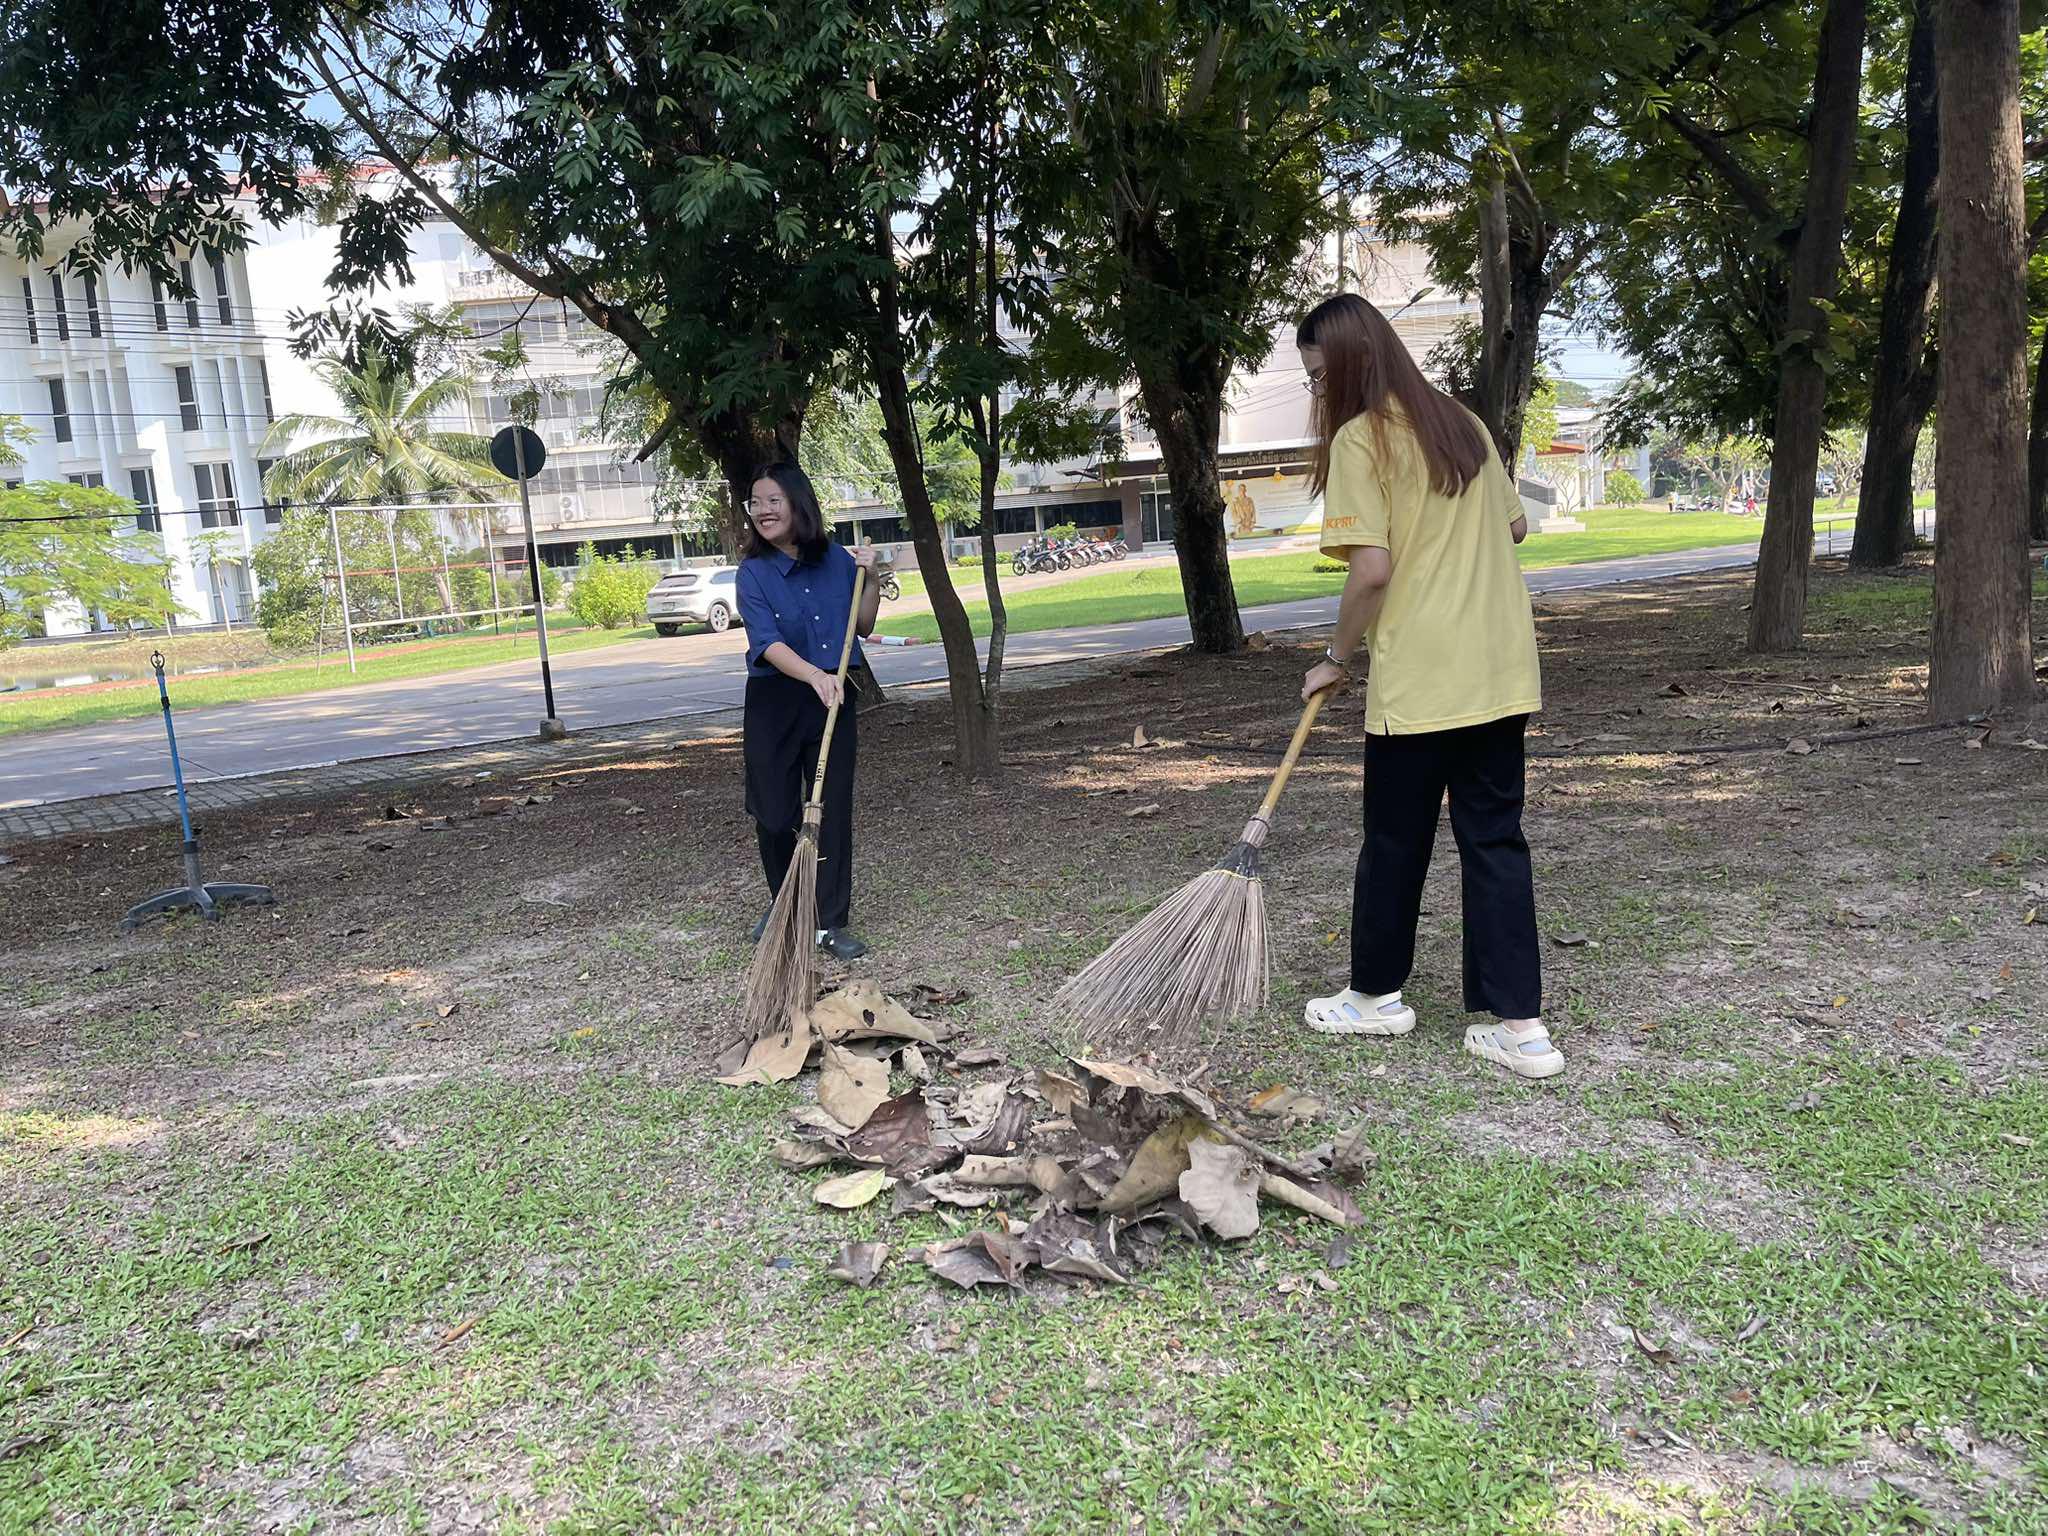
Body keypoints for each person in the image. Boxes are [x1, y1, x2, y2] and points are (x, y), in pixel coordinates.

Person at [1293, 293, 1560, 1080]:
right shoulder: (1461, 424)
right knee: (1495, 842)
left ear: (1346, 365)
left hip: (1420, 682)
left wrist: (1336, 657)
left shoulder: (1360, 441)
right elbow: (1513, 527)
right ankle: (1521, 1031)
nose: (1316, 393)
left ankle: (1376, 998)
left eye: (1316, 377)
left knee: (1394, 843)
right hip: (1500, 672)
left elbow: (1370, 570)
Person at [735, 463, 880, 961]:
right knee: (774, 814)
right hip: (777, 700)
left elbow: (860, 625)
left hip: (834, 698)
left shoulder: (840, 561)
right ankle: (785, 906)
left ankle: (830, 921)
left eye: (773, 500)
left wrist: (872, 575)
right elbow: (767, 643)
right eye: (756, 502)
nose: (763, 511)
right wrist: (813, 675)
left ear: (798, 503)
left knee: (831, 808)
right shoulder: (752, 572)